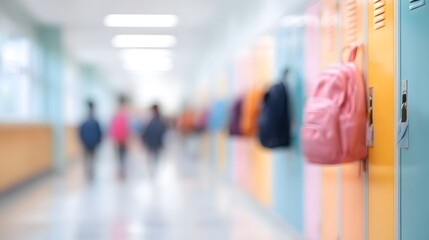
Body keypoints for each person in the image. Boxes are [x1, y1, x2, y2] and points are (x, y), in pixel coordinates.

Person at [78, 100, 103, 181]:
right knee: (92, 158)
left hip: (85, 143)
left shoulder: (84, 119)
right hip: (93, 143)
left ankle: (87, 173)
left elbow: (80, 131)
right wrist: (99, 142)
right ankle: (91, 172)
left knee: (86, 158)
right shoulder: (95, 120)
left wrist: (81, 140)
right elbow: (100, 132)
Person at [142, 104, 166, 178]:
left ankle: (154, 169)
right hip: (153, 141)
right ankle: (153, 169)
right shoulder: (158, 119)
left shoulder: (155, 119)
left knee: (154, 155)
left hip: (154, 140)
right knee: (154, 155)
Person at [110, 95, 129, 179]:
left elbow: (112, 126)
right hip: (123, 138)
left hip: (117, 138)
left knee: (118, 154)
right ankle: (122, 169)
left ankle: (120, 170)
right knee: (123, 155)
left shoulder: (115, 112)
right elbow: (127, 127)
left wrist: (113, 137)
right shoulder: (125, 113)